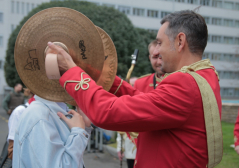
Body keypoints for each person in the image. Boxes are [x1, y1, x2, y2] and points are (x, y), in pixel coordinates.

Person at [49, 10, 222, 167]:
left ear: (180, 41)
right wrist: (102, 76)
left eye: (160, 43)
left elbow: (107, 112)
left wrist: (72, 73)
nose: (158, 50)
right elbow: (146, 104)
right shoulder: (204, 76)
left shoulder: (185, 84)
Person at [12, 95, 92, 168]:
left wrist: (85, 128)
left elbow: (74, 158)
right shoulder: (40, 116)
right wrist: (79, 132)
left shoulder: (50, 112)